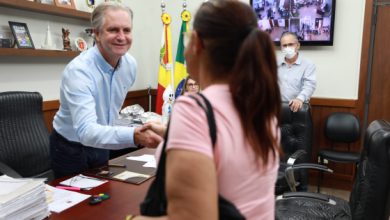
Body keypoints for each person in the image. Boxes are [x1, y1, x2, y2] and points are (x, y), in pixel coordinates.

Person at [134, 0, 281, 219]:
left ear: (196, 42)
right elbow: (227, 146)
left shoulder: (194, 109)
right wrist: (171, 133)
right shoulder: (259, 107)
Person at [50, 2, 162, 179]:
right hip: (69, 147)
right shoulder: (79, 71)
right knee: (74, 203)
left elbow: (110, 113)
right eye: (113, 30)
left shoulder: (130, 65)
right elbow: (86, 131)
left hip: (102, 142)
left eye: (126, 30)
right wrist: (135, 136)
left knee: (103, 193)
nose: (121, 37)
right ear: (96, 33)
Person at [278, 31, 316, 112]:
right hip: (278, 108)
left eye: (291, 44)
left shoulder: (308, 64)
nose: (287, 48)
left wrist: (299, 99)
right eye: (284, 45)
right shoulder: (275, 64)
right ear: (281, 48)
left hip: (298, 108)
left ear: (298, 45)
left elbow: (309, 86)